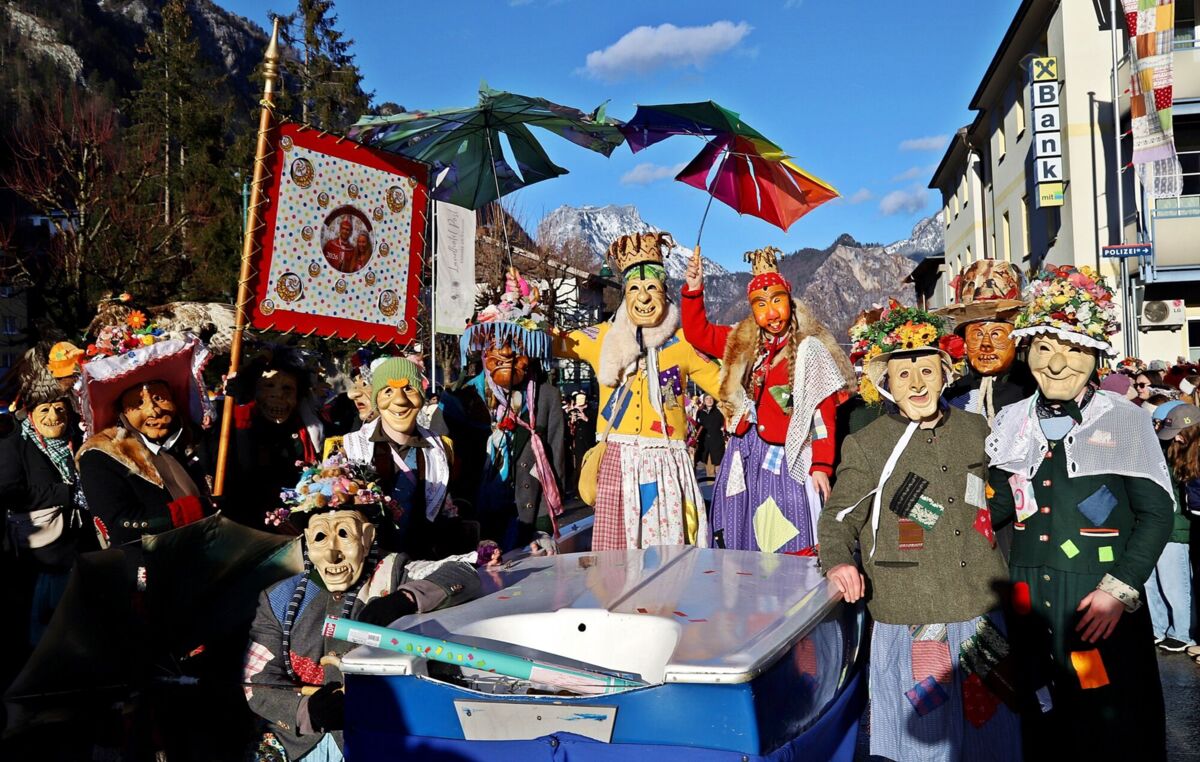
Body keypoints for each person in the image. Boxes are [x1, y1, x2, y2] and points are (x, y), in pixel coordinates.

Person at [986, 266, 1174, 759]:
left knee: (1103, 714)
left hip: (1095, 603)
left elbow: (1157, 514)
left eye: (1072, 349)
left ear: (1095, 355)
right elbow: (998, 503)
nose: (1055, 364)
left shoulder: (1124, 419)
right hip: (1029, 601)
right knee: (1040, 715)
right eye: (1044, 348)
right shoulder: (1011, 420)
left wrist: (1119, 590)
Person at [818, 305, 1019, 762]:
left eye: (927, 371)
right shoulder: (867, 443)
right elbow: (838, 516)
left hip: (979, 605)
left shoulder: (975, 429)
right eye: (903, 374)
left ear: (945, 375)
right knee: (923, 730)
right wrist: (839, 561)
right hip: (915, 610)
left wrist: (982, 527)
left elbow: (1000, 495)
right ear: (887, 384)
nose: (917, 384)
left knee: (989, 725)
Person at [246, 455, 480, 761]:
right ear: (307, 544)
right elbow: (256, 681)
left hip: (380, 736)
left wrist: (406, 598)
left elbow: (463, 574)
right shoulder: (280, 599)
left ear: (368, 538)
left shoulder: (392, 574)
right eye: (320, 537)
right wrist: (307, 710)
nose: (332, 554)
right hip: (301, 745)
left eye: (344, 534)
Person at [554, 232, 721, 550]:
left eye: (652, 288)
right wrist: (517, 317)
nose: (643, 298)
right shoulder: (602, 337)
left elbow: (724, 386)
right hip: (618, 462)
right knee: (616, 562)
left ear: (665, 292)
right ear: (624, 295)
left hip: (666, 463)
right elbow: (557, 341)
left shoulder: (683, 343)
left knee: (669, 560)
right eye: (634, 288)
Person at [683, 245, 854, 554]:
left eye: (777, 300)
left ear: (789, 300)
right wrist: (694, 290)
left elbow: (822, 415)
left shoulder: (810, 350)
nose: (771, 313)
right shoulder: (742, 341)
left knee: (785, 532)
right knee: (742, 532)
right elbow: (698, 333)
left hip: (788, 458)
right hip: (745, 453)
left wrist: (821, 464)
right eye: (761, 304)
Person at [76, 325, 215, 548]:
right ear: (122, 413)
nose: (153, 411)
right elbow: (119, 524)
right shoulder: (101, 457)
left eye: (159, 398)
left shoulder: (193, 440)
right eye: (138, 403)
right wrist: (190, 511)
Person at [459, 268, 565, 550]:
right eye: (497, 345)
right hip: (476, 525)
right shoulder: (466, 399)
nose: (507, 353)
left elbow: (555, 464)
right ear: (484, 352)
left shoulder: (546, 398)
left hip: (526, 523)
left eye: (516, 345)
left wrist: (542, 527)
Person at [0, 344, 93, 645]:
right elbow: (10, 493)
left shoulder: (80, 438)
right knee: (46, 632)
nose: (54, 416)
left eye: (60, 409)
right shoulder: (14, 445)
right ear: (31, 414)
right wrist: (67, 492)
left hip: (82, 549)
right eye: (45, 409)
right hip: (42, 557)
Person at [342, 357, 453, 557]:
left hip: (421, 558)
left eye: (409, 389)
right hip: (370, 560)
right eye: (388, 391)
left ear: (421, 396)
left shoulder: (440, 449)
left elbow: (448, 510)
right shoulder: (350, 447)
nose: (400, 400)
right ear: (376, 400)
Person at [225, 351, 325, 529]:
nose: (278, 395)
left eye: (287, 388)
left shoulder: (310, 433)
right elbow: (246, 469)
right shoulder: (238, 426)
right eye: (269, 386)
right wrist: (242, 405)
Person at [936, 259, 1035, 423]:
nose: (986, 344)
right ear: (965, 343)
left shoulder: (1034, 389)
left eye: (996, 334)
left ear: (1016, 339)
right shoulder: (953, 396)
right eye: (977, 335)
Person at [1148, 401, 1200, 655]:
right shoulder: (1174, 450)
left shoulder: (1190, 456)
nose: (1173, 438)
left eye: (1177, 433)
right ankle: (1160, 628)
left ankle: (1182, 632)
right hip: (1162, 524)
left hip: (1176, 526)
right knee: (1155, 582)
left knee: (1175, 583)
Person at [692, 394, 725, 479]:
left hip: (717, 443)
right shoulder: (700, 412)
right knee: (710, 471)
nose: (709, 400)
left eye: (711, 398)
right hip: (706, 444)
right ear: (704, 401)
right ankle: (711, 485)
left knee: (719, 468)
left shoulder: (719, 411)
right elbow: (697, 426)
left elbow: (724, 425)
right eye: (707, 398)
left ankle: (720, 484)